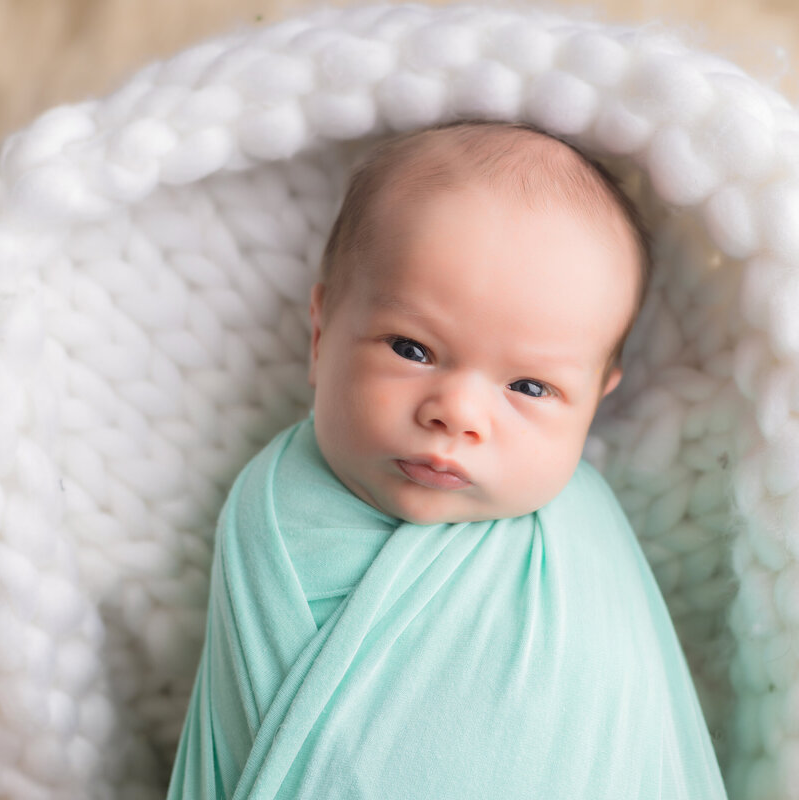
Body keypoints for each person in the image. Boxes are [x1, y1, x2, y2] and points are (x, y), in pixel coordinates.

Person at [166, 121, 726, 799]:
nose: (456, 413)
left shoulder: (587, 540)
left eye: (529, 388)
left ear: (594, 405)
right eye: (410, 349)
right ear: (321, 336)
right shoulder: (276, 511)